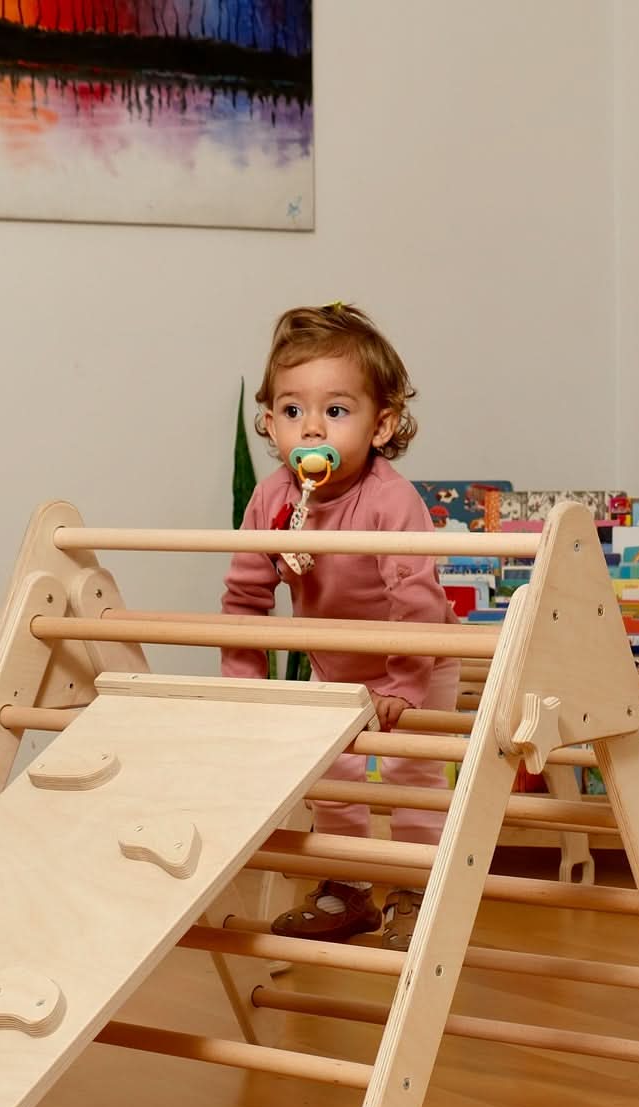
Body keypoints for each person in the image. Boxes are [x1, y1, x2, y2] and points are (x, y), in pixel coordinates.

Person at [221, 302, 459, 950]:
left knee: (415, 775)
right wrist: (246, 685)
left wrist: (405, 684)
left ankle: (416, 891)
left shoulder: (389, 500)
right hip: (336, 666)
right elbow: (245, 599)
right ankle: (346, 891)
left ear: (381, 425)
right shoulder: (272, 501)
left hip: (420, 659)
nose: (311, 428)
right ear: (270, 424)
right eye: (293, 411)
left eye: (336, 410)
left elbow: (416, 595)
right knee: (333, 780)